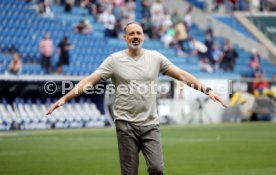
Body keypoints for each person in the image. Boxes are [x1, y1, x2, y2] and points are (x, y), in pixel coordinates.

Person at [46, 22, 227, 175]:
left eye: (138, 33)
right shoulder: (114, 60)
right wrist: (65, 98)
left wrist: (207, 89)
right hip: (125, 124)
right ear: (125, 38)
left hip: (150, 124)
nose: (135, 36)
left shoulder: (155, 58)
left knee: (157, 169)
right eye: (131, 33)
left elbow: (182, 75)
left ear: (143, 37)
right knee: (129, 172)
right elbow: (90, 81)